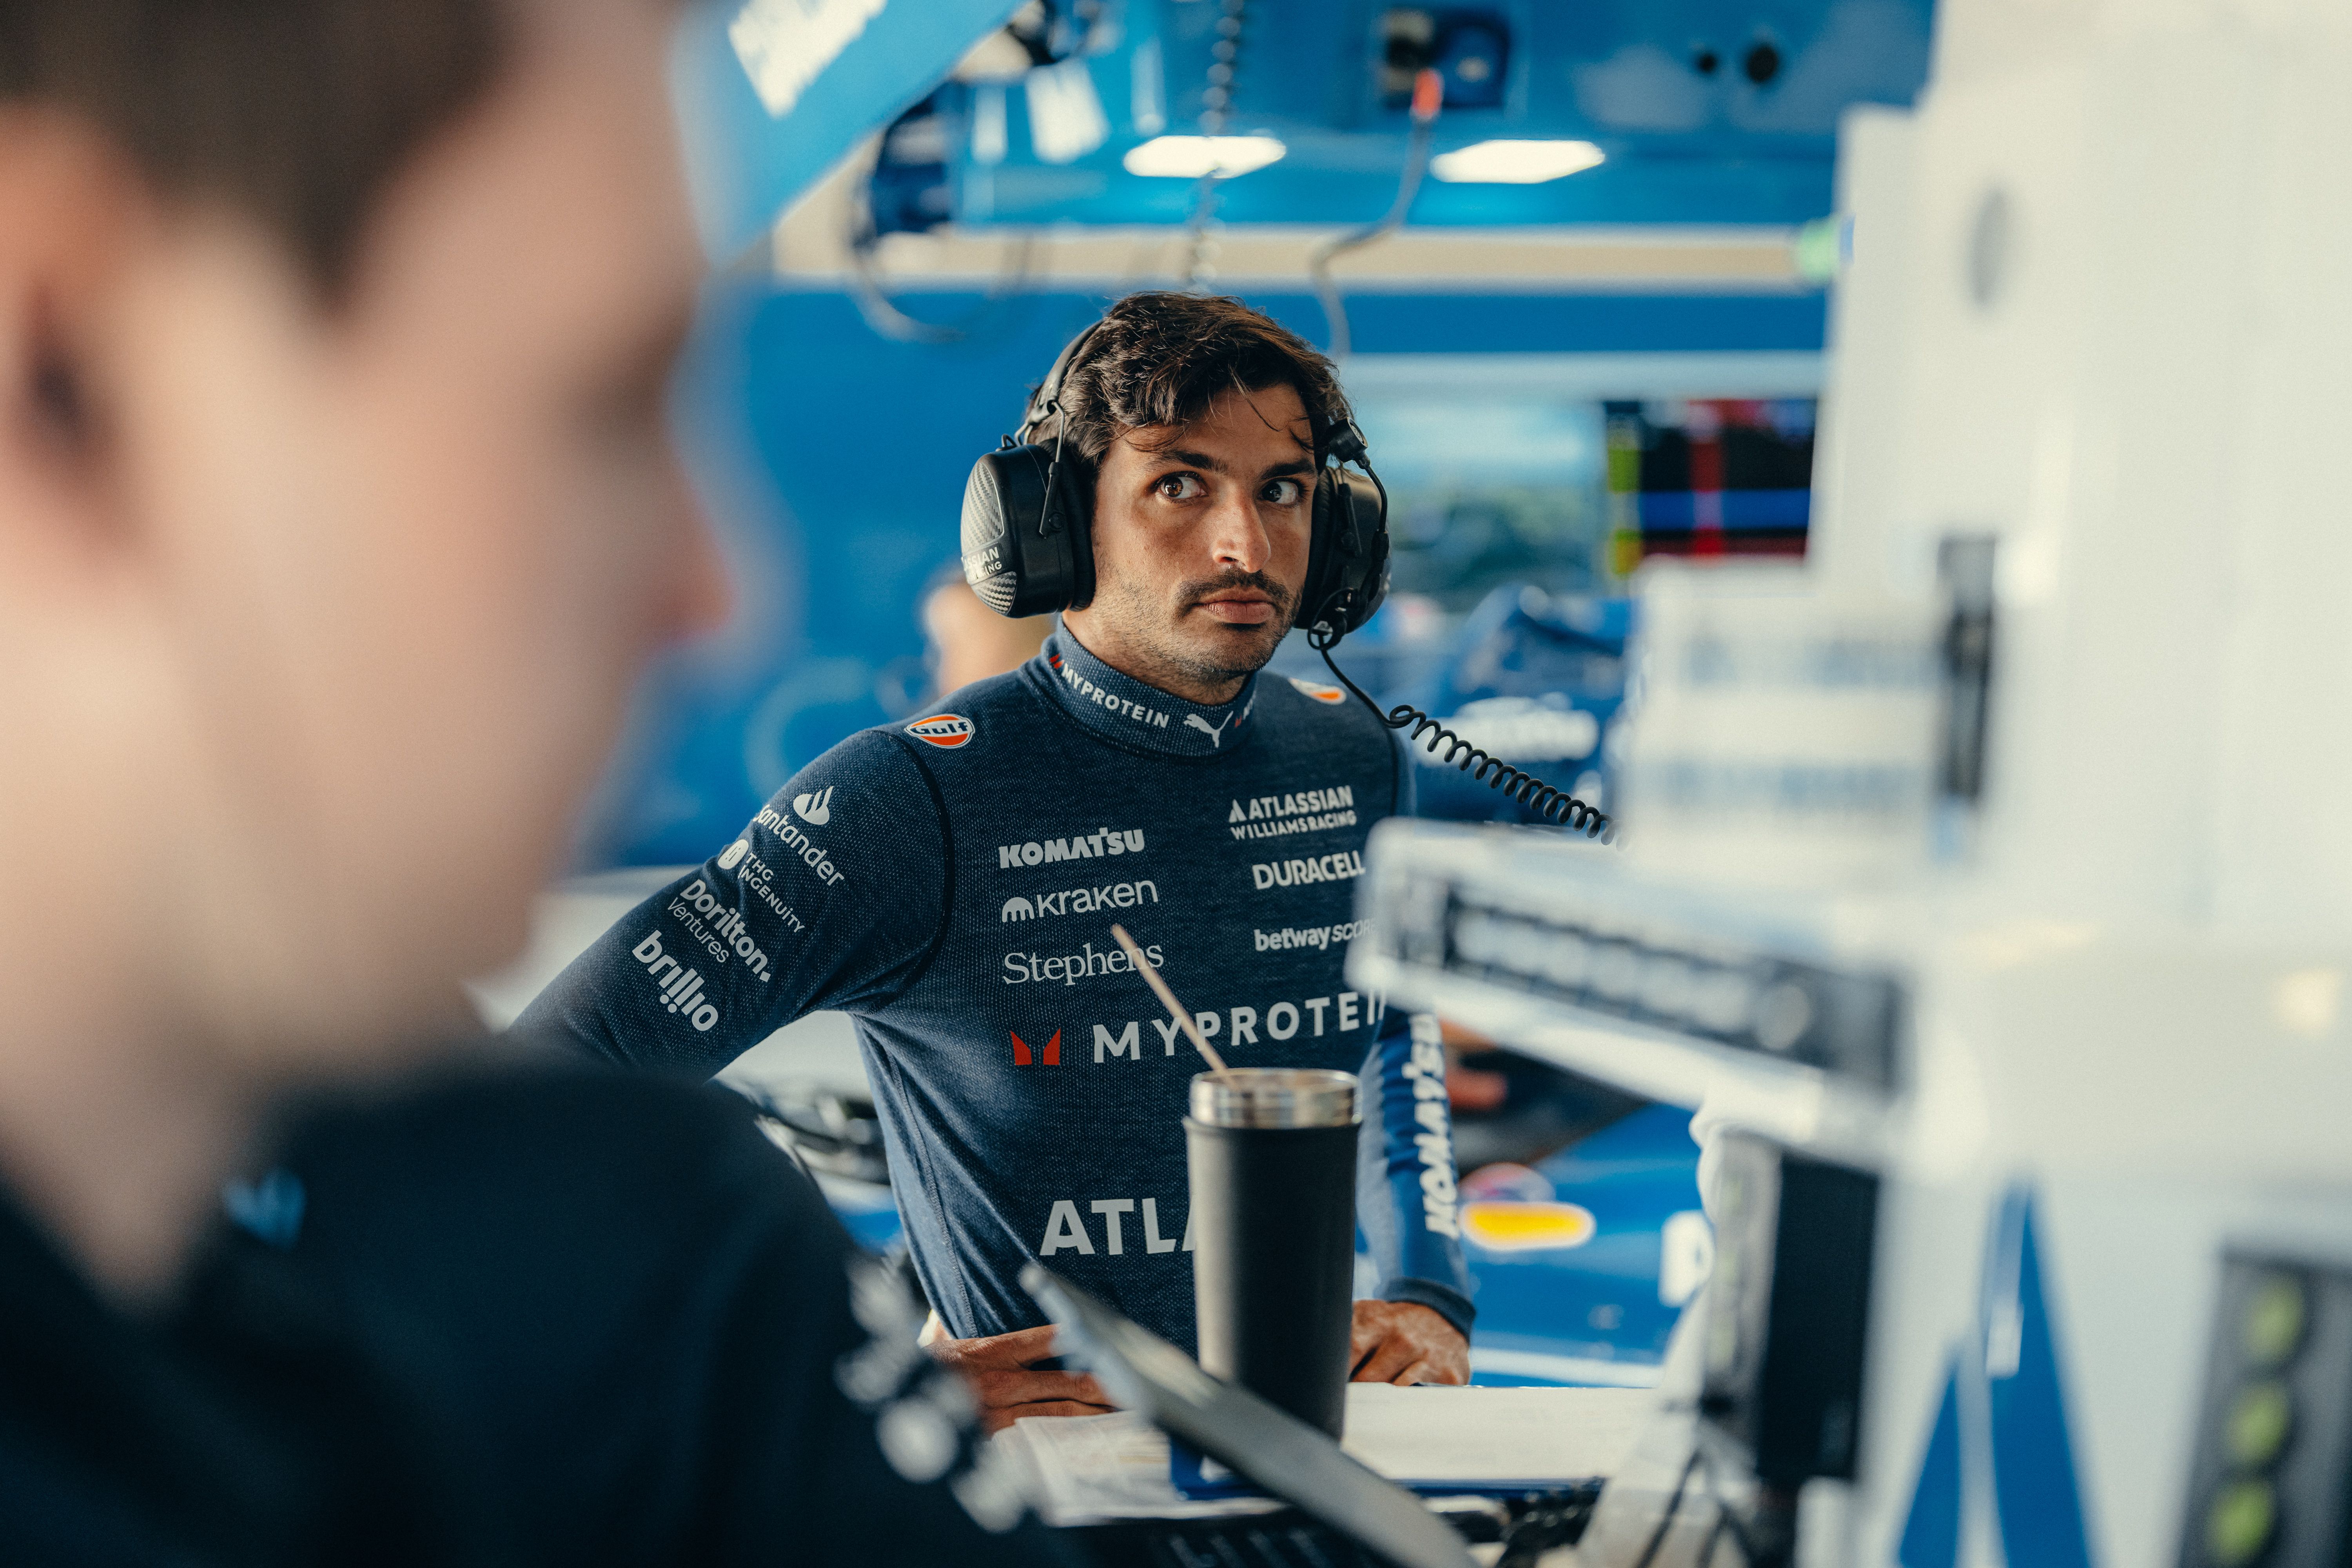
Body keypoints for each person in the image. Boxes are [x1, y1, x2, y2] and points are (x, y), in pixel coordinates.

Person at [0, 0, 1052, 1561]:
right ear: (70, 371)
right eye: (602, 399)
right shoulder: (614, 1276)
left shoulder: (533, 1286)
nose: (722, 591)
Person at [520, 292, 1477, 1432]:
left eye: (1283, 488)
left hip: (1317, 1448)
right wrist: (825, 1366)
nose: (1246, 545)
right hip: (1043, 1494)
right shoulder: (906, 795)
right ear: (1059, 524)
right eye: (1181, 484)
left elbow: (1386, 1033)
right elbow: (538, 1102)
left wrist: (1429, 1292)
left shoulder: (1357, 756)